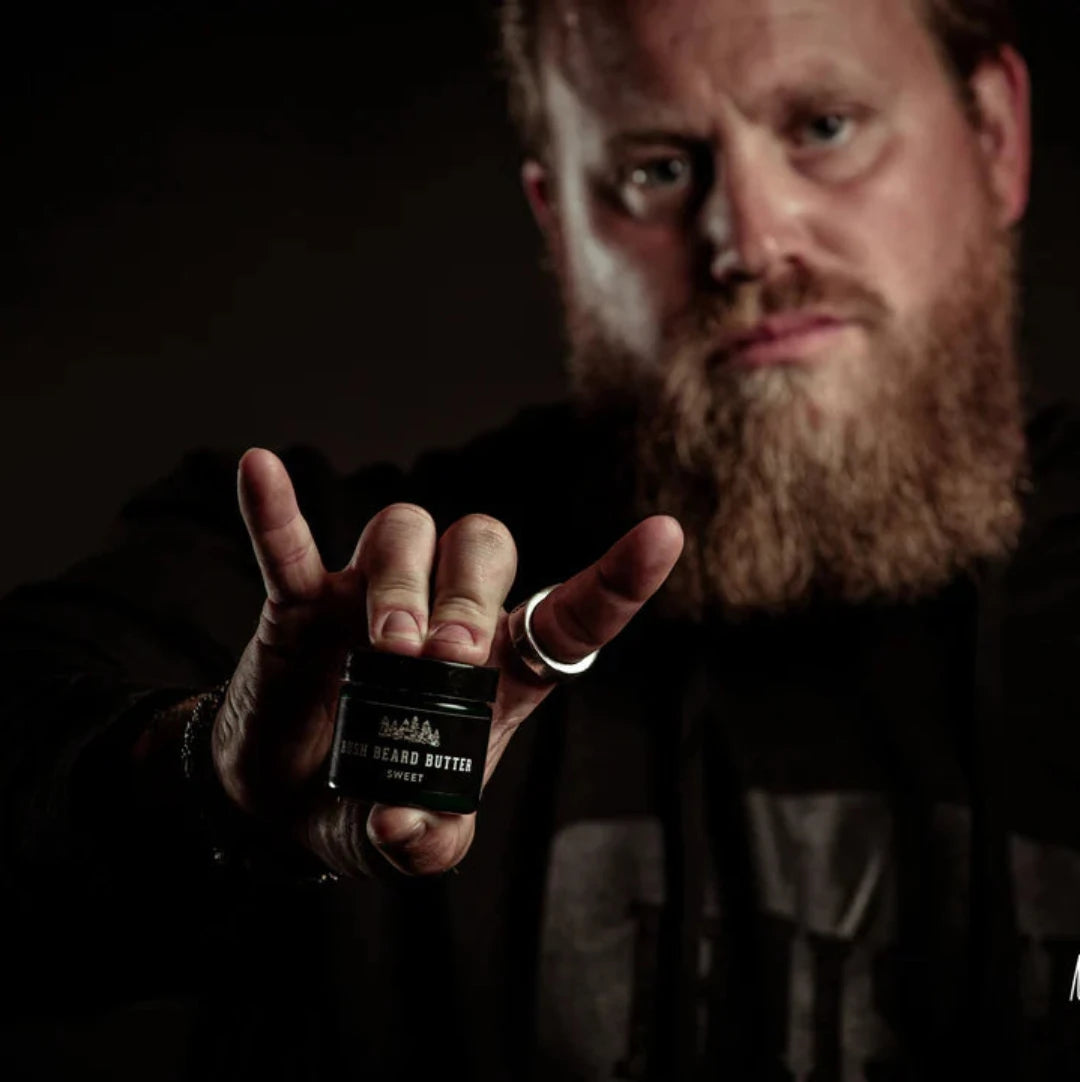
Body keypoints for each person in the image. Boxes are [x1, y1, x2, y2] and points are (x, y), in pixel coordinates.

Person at [2, 0, 1078, 1078]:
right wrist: (208, 782)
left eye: (826, 127)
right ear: (558, 222)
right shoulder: (342, 597)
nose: (750, 241)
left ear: (995, 136)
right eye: (655, 169)